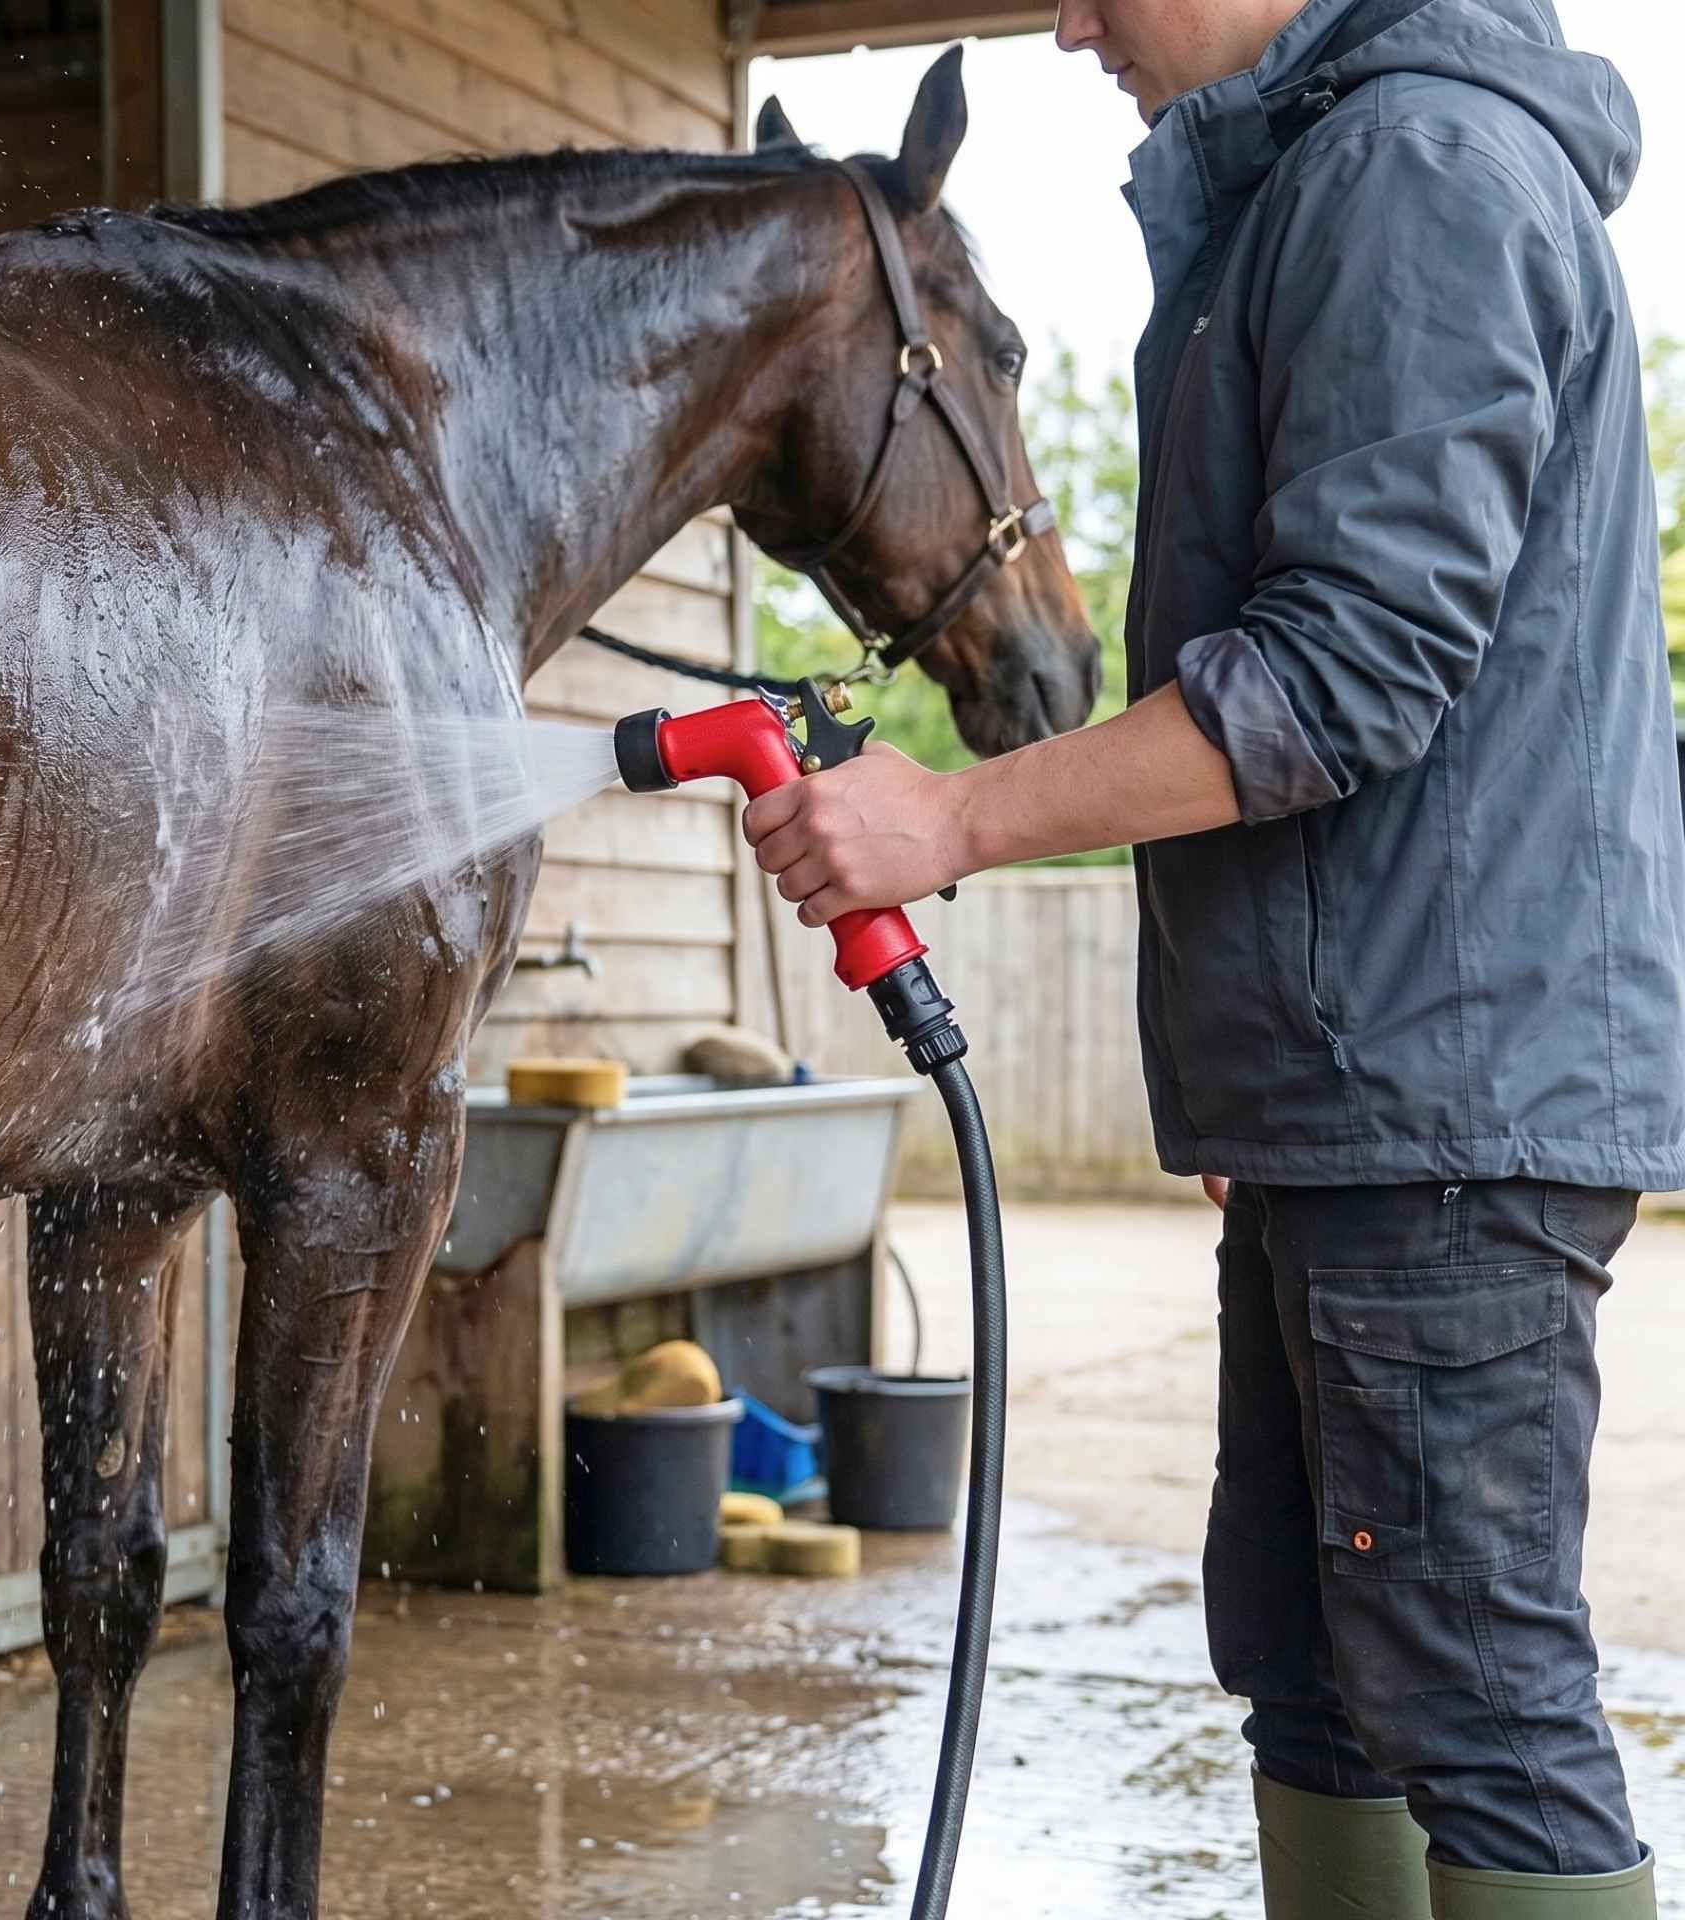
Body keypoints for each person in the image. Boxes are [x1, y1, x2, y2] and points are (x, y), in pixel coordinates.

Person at [743, 2, 1685, 1914]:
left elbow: (1347, 669)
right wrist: (1273, 1069)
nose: (1070, 19)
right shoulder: (1331, 178)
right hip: (1370, 1093)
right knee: (1317, 1676)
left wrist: (951, 813)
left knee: (1480, 1709)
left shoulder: (1412, 171)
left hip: (1440, 1102)